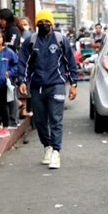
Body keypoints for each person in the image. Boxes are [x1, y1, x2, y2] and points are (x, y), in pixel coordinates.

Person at [18, 9, 78, 169]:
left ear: (51, 23)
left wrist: (73, 84)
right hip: (37, 87)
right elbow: (23, 62)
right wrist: (22, 81)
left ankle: (56, 152)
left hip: (57, 85)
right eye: (40, 22)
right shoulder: (31, 41)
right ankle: (47, 147)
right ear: (36, 24)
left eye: (47, 22)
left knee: (56, 119)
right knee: (40, 121)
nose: (43, 24)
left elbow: (70, 63)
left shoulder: (60, 40)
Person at [0, 31, 19, 139]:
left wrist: (9, 73)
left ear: (3, 39)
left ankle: (5, 128)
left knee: (3, 105)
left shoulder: (8, 52)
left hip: (2, 82)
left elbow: (17, 65)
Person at [0, 8, 21, 128]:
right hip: (3, 66)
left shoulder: (13, 30)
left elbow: (12, 46)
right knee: (5, 94)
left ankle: (13, 120)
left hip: (10, 66)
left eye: (1, 19)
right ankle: (7, 119)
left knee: (11, 93)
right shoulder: (5, 30)